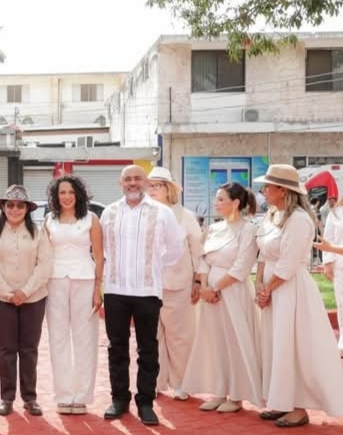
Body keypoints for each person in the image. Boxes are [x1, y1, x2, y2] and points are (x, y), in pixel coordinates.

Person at [256, 165, 343, 427]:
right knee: (275, 345)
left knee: (292, 346)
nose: (264, 191)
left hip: (290, 290)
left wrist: (267, 289)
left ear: (283, 190)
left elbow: (288, 263)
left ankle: (298, 406)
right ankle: (281, 399)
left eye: (268, 186)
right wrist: (260, 284)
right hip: (274, 288)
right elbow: (263, 253)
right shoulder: (273, 215)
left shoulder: (299, 220)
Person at [99, 165, 182, 426]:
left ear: (146, 182)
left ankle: (145, 402)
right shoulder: (109, 212)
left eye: (137, 178)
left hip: (147, 291)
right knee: (116, 348)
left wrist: (153, 267)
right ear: (120, 183)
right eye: (128, 179)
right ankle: (119, 399)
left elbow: (175, 248)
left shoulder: (162, 212)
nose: (132, 183)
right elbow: (102, 249)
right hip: (115, 290)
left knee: (148, 349)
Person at [182, 182, 262, 413]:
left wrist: (216, 289)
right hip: (211, 294)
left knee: (234, 341)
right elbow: (203, 260)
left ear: (235, 203)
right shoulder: (215, 228)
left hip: (233, 292)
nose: (215, 203)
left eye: (220, 199)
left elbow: (241, 267)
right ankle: (219, 390)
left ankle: (236, 396)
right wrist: (204, 287)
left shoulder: (249, 229)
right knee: (215, 341)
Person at [0, 185, 53, 417]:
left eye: (20, 205)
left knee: (29, 349)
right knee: (6, 349)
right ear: (3, 207)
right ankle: (7, 397)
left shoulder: (37, 232)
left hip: (33, 298)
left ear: (27, 209)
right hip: (1, 299)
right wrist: (7, 292)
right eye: (10, 205)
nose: (14, 209)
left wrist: (25, 291)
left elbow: (45, 264)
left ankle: (30, 398)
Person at [42, 175, 102, 416]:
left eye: (71, 192)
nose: (66, 197)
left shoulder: (91, 219)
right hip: (55, 281)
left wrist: (98, 289)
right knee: (58, 339)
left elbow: (99, 255)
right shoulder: (49, 220)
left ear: (78, 194)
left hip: (85, 281)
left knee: (85, 339)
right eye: (62, 193)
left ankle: (82, 396)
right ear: (56, 196)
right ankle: (64, 395)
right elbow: (44, 254)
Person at [145, 166, 204, 401]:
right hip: (148, 285)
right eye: (149, 186)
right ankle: (155, 381)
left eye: (157, 186)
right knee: (151, 336)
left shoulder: (185, 216)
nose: (152, 190)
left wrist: (198, 280)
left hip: (179, 284)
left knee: (180, 336)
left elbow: (197, 250)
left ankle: (182, 382)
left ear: (169, 189)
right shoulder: (143, 214)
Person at [321, 195, 343, 356]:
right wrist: (327, 262)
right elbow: (328, 238)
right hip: (340, 265)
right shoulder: (335, 213)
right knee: (342, 302)